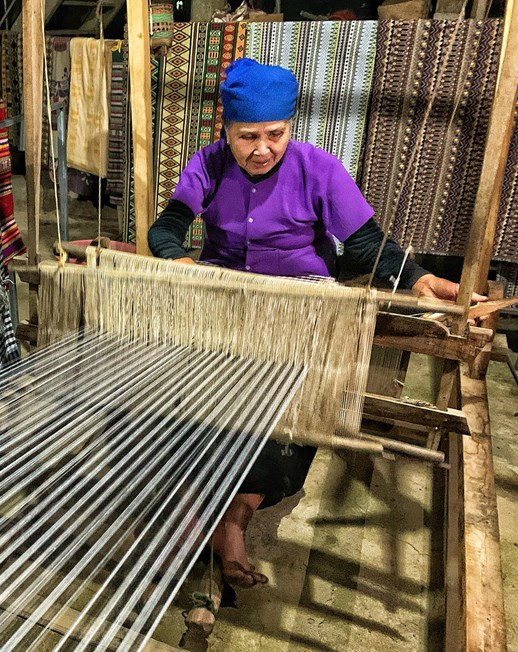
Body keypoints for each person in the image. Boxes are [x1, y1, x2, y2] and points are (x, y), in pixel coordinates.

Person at [147, 58, 484, 589]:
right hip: (226, 303)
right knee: (199, 406)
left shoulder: (318, 168)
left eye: (275, 134)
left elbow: (367, 245)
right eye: (247, 137)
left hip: (303, 313)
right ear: (226, 131)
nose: (262, 149)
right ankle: (198, 507)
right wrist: (182, 265)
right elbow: (165, 230)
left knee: (294, 420)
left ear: (290, 127)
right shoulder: (208, 165)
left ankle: (235, 518)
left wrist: (419, 280)